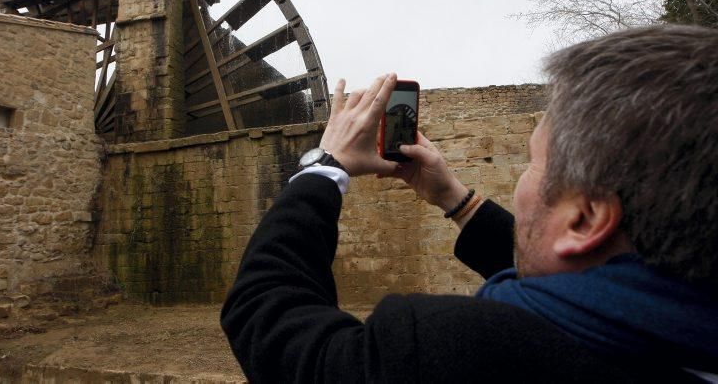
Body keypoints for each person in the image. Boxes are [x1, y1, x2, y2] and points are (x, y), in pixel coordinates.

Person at [221, 25, 718, 382]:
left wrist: (323, 168)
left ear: (585, 218)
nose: (523, 181)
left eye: (532, 163)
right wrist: (454, 199)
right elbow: (590, 275)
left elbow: (266, 315)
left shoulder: (450, 353)